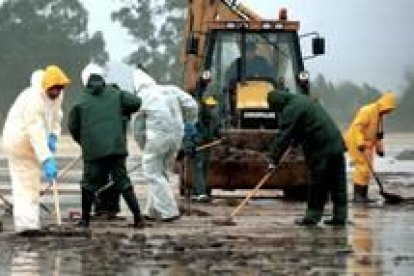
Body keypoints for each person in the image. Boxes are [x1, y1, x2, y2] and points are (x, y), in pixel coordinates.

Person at [67, 64, 144, 228]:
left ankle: (85, 220)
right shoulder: (115, 94)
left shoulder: (81, 100)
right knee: (123, 181)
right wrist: (122, 107)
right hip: (116, 148)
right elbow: (136, 102)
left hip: (93, 150)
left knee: (88, 184)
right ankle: (138, 217)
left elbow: (72, 126)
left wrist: (84, 142)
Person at [2, 65, 70, 235]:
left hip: (35, 143)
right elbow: (35, 130)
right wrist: (47, 158)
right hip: (18, 141)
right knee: (24, 183)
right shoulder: (33, 98)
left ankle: (31, 222)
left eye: (59, 89)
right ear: (46, 86)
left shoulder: (58, 95)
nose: (56, 92)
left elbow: (56, 117)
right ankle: (26, 226)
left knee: (32, 184)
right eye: (53, 89)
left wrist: (53, 136)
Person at [266, 90, 347, 226]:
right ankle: (340, 216)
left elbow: (283, 136)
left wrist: (273, 159)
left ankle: (312, 217)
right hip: (336, 143)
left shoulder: (291, 108)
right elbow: (306, 124)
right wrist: (296, 140)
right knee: (337, 182)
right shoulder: (303, 101)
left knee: (318, 181)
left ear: (277, 104)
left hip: (321, 147)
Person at [132, 68, 198, 222]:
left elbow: (138, 128)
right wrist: (190, 123)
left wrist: (144, 146)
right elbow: (192, 105)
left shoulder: (141, 97)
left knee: (152, 173)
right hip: (177, 136)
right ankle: (152, 210)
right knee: (160, 174)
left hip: (157, 138)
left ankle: (169, 211)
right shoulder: (170, 90)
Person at [345, 92, 396, 203]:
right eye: (388, 110)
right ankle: (358, 196)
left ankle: (363, 195)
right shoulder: (367, 111)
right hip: (355, 141)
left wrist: (379, 149)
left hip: (367, 144)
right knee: (362, 167)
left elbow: (378, 135)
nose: (388, 112)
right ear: (384, 105)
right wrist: (360, 143)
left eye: (390, 111)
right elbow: (357, 127)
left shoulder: (380, 116)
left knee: (367, 169)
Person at [92, 83, 125, 220]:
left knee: (114, 180)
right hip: (104, 150)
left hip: (115, 150)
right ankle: (101, 208)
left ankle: (111, 209)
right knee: (102, 179)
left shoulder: (121, 111)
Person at [184, 96, 221, 202]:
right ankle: (201, 193)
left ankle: (199, 191)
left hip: (207, 146)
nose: (211, 108)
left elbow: (216, 130)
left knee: (204, 168)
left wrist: (220, 136)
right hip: (197, 147)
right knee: (198, 168)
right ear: (204, 106)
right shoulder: (195, 118)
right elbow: (188, 132)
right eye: (209, 106)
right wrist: (188, 146)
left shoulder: (214, 118)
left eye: (213, 106)